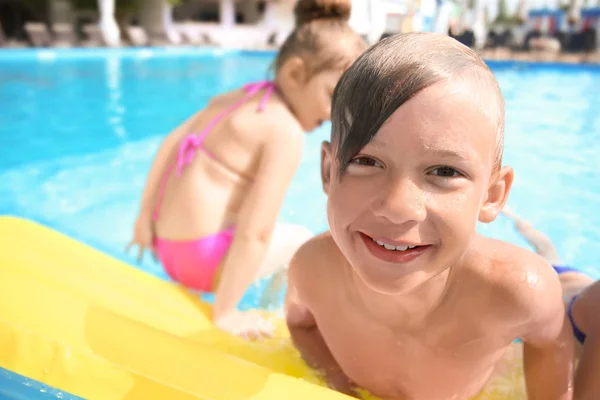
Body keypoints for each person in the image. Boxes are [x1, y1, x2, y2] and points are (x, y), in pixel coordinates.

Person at [285, 32, 574, 400]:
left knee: (563, 276)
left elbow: (551, 345)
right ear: (328, 171)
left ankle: (530, 231)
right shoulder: (311, 269)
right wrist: (337, 383)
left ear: (491, 195)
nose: (397, 205)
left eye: (444, 172)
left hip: (553, 283)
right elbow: (300, 326)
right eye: (367, 161)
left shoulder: (520, 292)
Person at [128, 0, 366, 338]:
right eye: (331, 96)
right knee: (302, 243)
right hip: (201, 263)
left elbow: (171, 143)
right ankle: (273, 319)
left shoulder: (237, 97)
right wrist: (223, 314)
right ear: (296, 74)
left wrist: (143, 218)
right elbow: (256, 232)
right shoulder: (284, 131)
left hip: (167, 249)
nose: (332, 115)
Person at [502, 206, 599, 400]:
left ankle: (513, 215)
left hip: (572, 280)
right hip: (557, 304)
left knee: (544, 248)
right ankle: (511, 214)